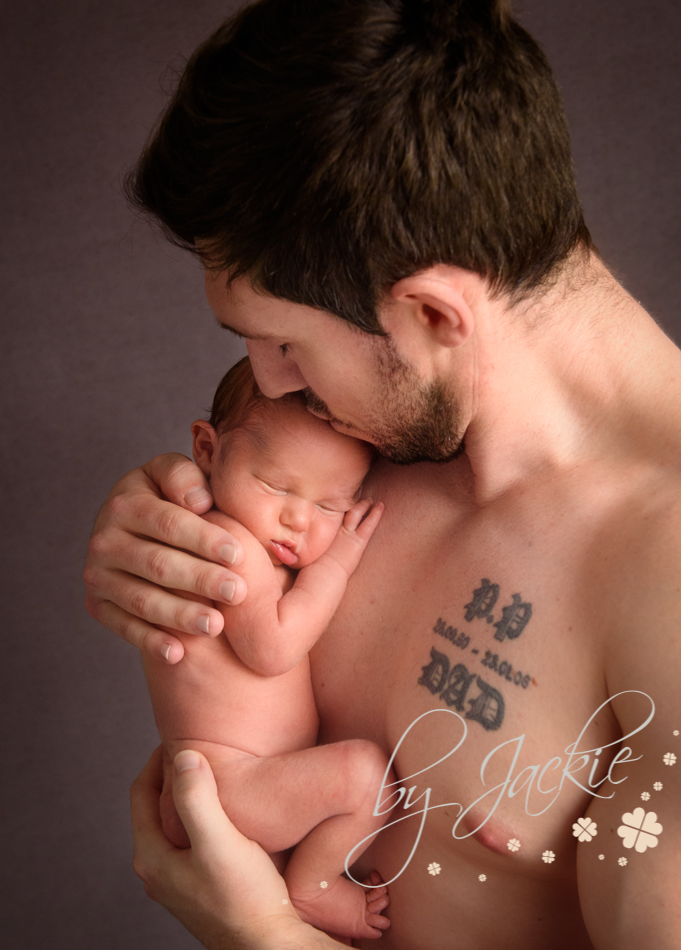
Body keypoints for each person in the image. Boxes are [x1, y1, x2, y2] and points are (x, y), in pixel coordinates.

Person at [84, 0, 681, 947]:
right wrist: (162, 538)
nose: (271, 384)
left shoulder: (665, 583)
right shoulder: (367, 451)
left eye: (284, 343)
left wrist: (269, 940)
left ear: (435, 318)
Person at [144, 355, 390, 939]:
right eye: (276, 485)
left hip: (233, 784)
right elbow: (273, 648)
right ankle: (314, 887)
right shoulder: (228, 543)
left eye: (330, 506)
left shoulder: (250, 542)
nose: (297, 520)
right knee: (365, 777)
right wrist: (338, 562)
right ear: (207, 450)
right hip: (227, 788)